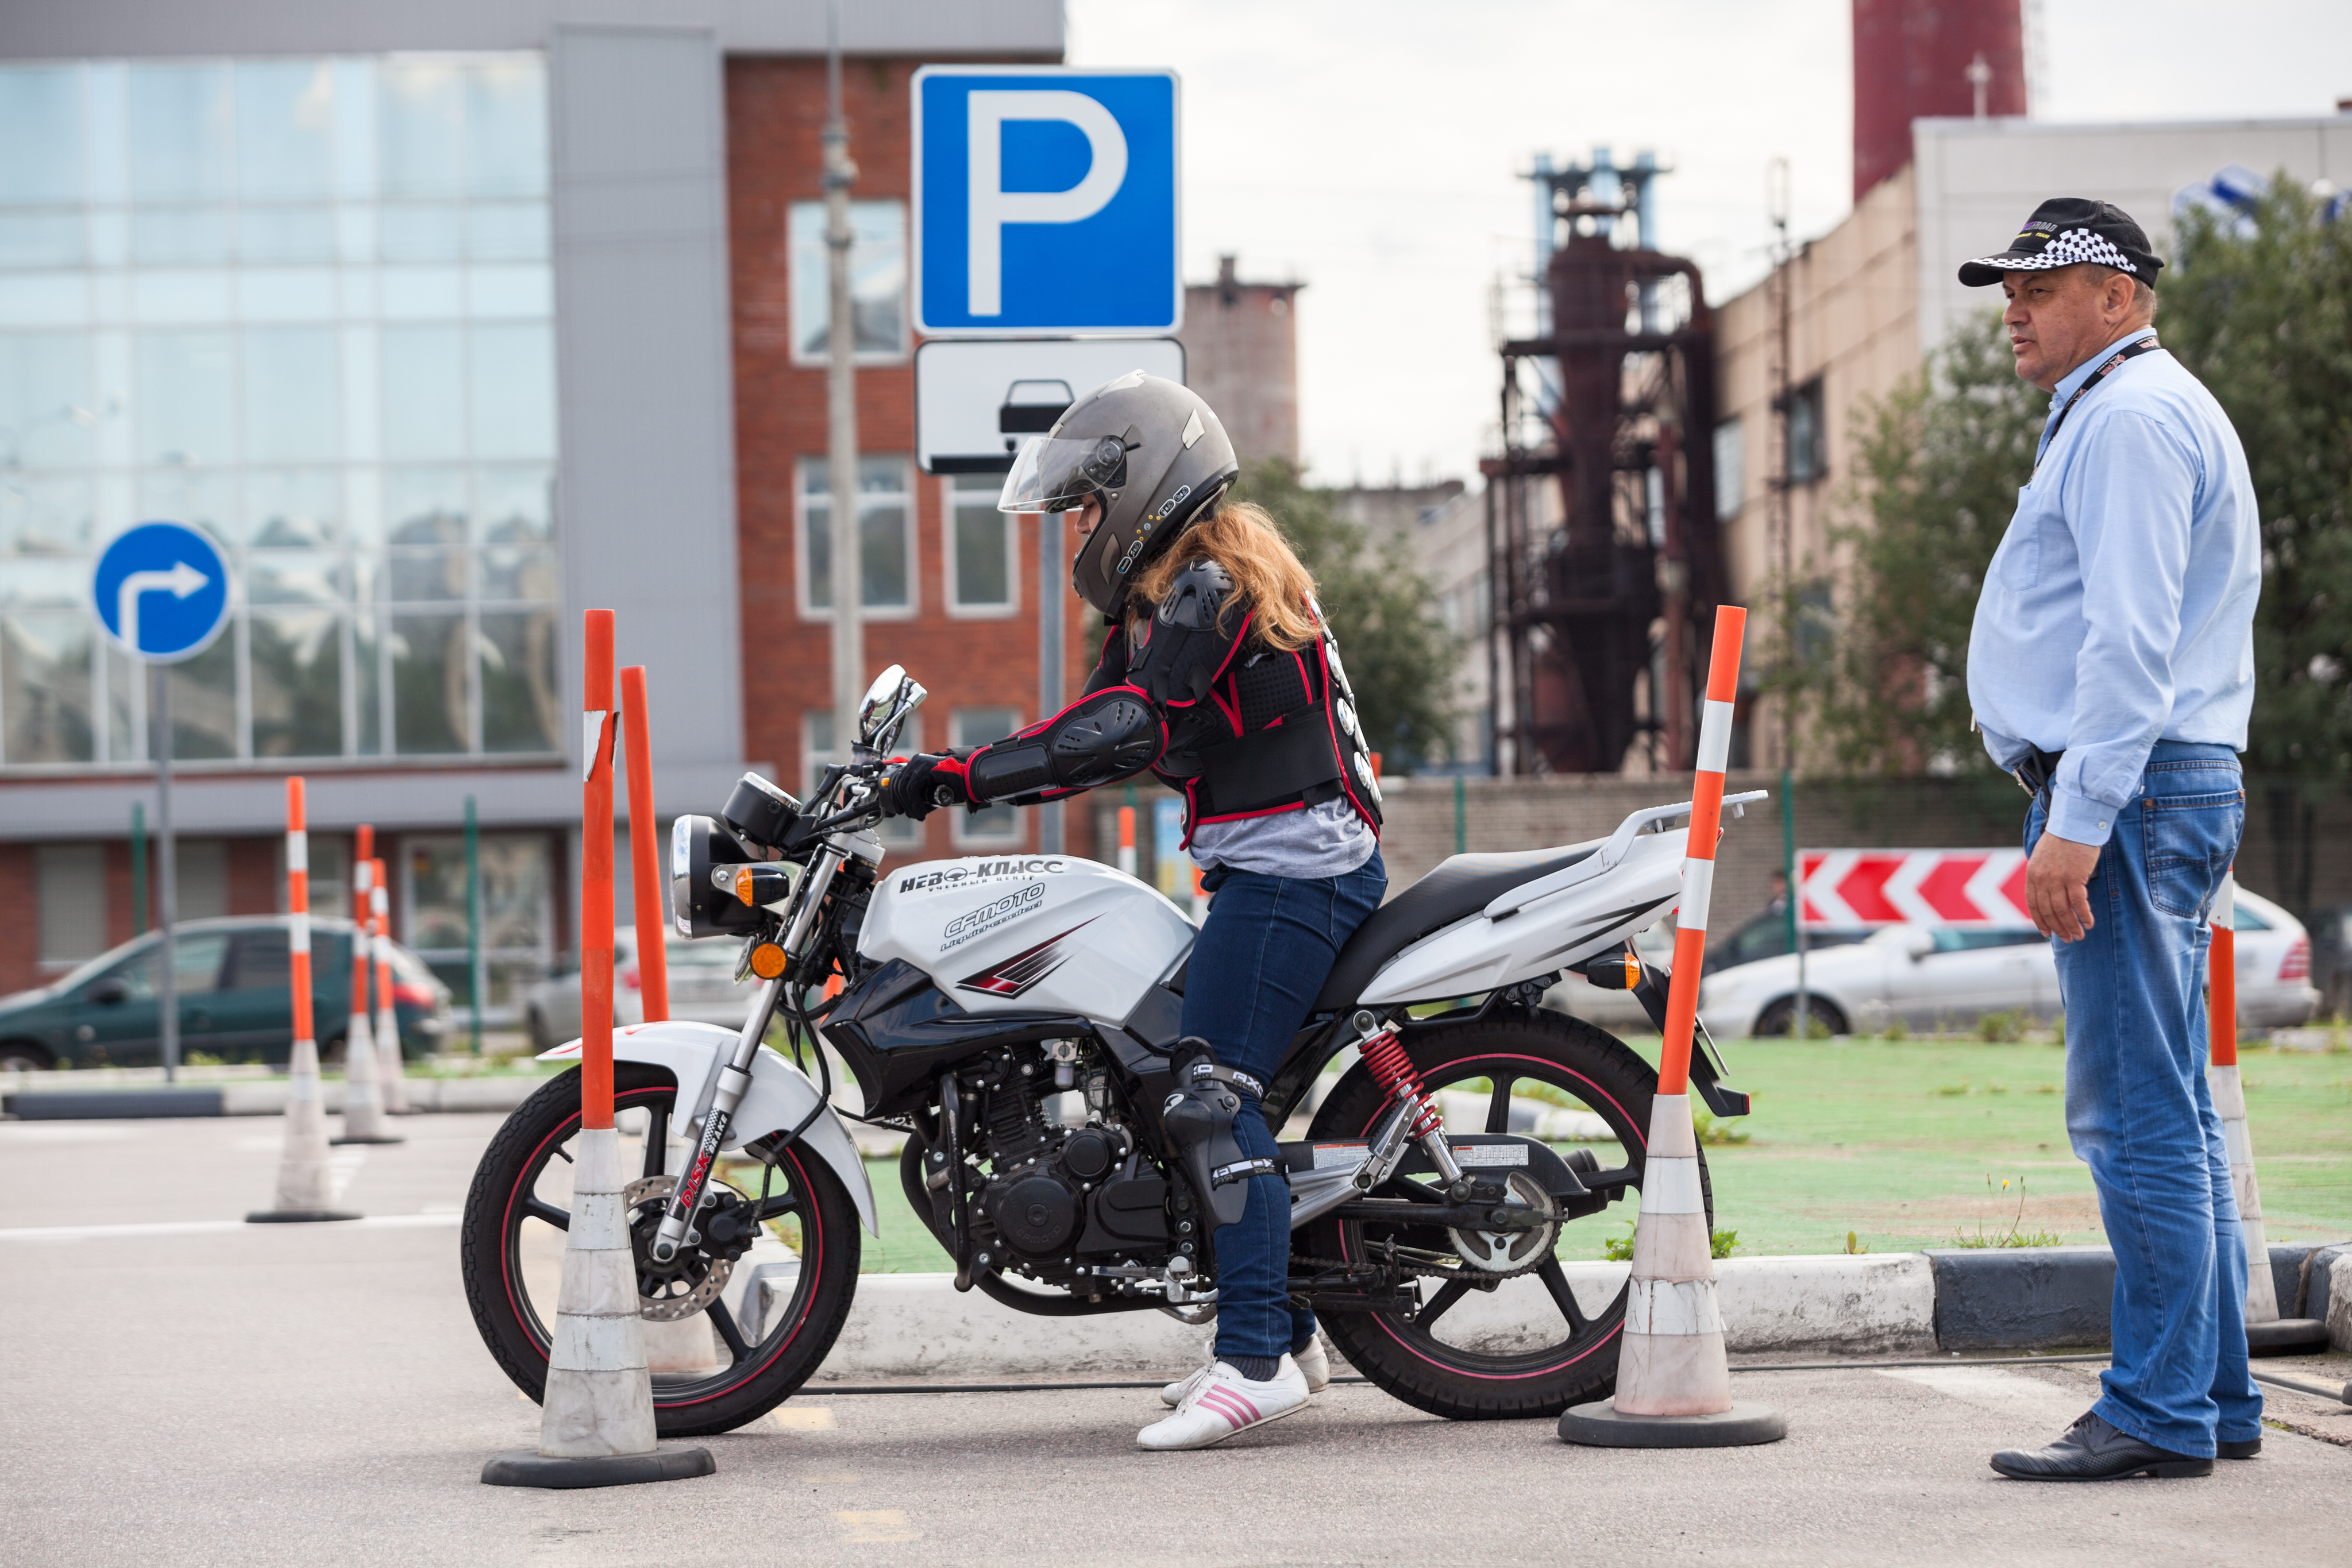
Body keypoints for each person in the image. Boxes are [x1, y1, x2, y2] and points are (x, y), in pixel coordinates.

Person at [883, 372, 1388, 1451]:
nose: (1078, 524)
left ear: (1143, 483)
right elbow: (1090, 728)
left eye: (1084, 502)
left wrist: (953, 777)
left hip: (1299, 870)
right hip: (1268, 866)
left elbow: (1126, 728)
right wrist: (956, 770)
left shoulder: (1211, 583)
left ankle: (1253, 1358)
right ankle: (1288, 1330)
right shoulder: (1180, 589)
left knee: (1211, 1093)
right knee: (1160, 1076)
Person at [1960, 198, 2264, 1481]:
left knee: (2135, 1117)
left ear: (2121, 299)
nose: (2014, 313)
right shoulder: (2126, 406)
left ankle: (2153, 1413)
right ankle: (2213, 1397)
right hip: (2156, 782)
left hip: (2129, 790)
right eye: (2010, 292)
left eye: (2043, 288)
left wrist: (2076, 821)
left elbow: (2128, 643)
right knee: (2171, 1109)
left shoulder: (2131, 419)